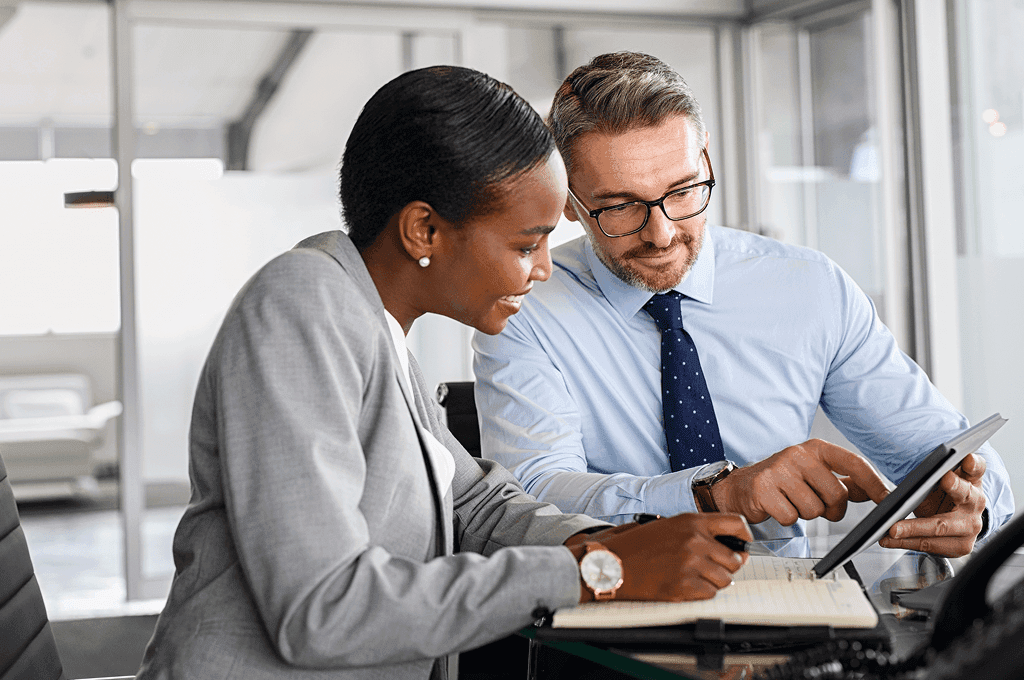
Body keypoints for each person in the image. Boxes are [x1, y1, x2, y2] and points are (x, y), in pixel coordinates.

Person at [135, 66, 755, 680]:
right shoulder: (304, 304)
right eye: (524, 244)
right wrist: (597, 572)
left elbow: (475, 504)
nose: (542, 270)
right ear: (424, 229)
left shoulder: (375, 325)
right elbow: (321, 609)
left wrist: (612, 544)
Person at [473, 51, 1014, 554]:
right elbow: (532, 501)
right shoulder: (524, 306)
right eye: (619, 207)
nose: (662, 234)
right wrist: (715, 495)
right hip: (613, 621)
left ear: (706, 157)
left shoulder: (808, 287)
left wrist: (973, 505)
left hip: (800, 613)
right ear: (568, 200)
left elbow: (946, 448)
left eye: (683, 191)